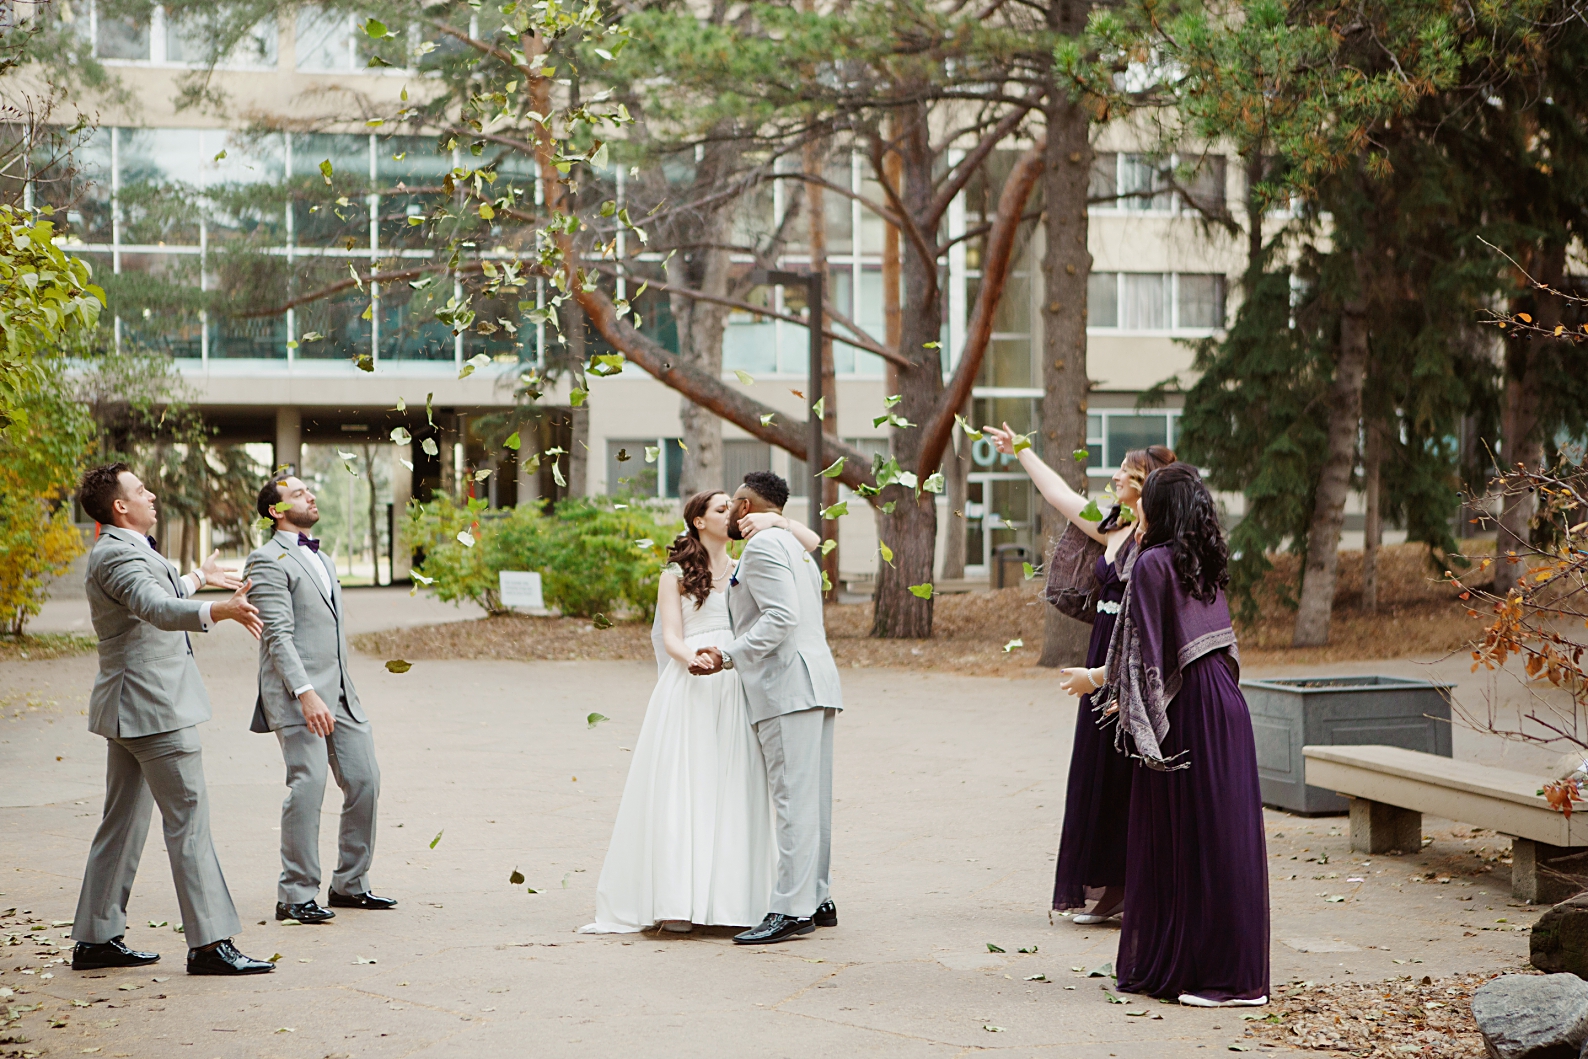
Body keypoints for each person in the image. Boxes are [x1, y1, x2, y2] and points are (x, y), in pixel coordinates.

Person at [1059, 463, 1269, 1006]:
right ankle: (1240, 979)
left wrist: (1094, 681)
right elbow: (1215, 644)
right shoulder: (1203, 563)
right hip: (1227, 706)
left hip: (1188, 712)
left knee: (1186, 845)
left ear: (1159, 508)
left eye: (1144, 499)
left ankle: (1217, 980)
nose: (1137, 509)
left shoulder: (1152, 564)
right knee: (1225, 844)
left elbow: (1139, 656)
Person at [581, 491, 822, 934]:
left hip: (736, 679)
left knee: (737, 787)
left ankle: (735, 899)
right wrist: (693, 659)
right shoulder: (674, 574)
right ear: (697, 521)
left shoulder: (748, 561)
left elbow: (812, 541)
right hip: (692, 679)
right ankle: (678, 900)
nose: (731, 511)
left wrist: (778, 523)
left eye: (733, 505)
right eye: (720, 508)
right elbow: (670, 635)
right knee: (686, 785)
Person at [69, 463, 276, 977]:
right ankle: (210, 946)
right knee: (188, 820)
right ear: (120, 506)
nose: (152, 494)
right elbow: (155, 607)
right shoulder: (116, 552)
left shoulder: (125, 548)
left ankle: (97, 939)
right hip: (154, 708)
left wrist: (200, 577)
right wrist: (216, 610)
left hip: (133, 707)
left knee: (122, 823)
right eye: (141, 489)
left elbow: (154, 590)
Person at [983, 425, 1175, 926]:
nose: (1114, 477)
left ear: (1148, 485)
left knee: (1127, 771)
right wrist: (1021, 450)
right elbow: (1060, 495)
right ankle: (1108, 885)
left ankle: (1132, 886)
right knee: (1096, 769)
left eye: (1127, 474)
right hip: (1103, 647)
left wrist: (1107, 673)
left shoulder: (1162, 541)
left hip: (1131, 656)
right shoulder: (1112, 526)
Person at [691, 471, 844, 945]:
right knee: (811, 800)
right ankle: (816, 898)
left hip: (785, 687)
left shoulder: (761, 546)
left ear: (744, 505)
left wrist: (729, 655)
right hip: (815, 683)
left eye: (735, 503)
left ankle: (792, 909)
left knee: (793, 801)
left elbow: (781, 616)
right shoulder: (793, 544)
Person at [245, 475, 395, 926]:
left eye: (310, 490)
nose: (310, 496)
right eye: (297, 494)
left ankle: (350, 883)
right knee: (308, 786)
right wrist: (305, 693)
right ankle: (294, 894)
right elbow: (278, 635)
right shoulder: (267, 559)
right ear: (275, 510)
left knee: (365, 780)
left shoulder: (324, 559)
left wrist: (339, 688)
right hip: (298, 696)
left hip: (343, 693)